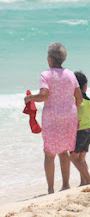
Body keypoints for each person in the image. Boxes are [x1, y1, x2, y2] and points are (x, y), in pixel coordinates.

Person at [24, 43, 83, 194]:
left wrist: (29, 98)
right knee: (64, 151)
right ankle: (65, 185)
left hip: (52, 118)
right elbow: (79, 98)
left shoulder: (46, 75)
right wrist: (71, 110)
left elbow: (44, 95)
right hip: (69, 116)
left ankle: (50, 189)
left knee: (50, 154)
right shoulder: (70, 74)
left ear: (50, 59)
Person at [70, 71, 90, 186]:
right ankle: (83, 182)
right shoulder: (89, 100)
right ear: (85, 86)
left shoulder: (75, 101)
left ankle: (89, 179)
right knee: (82, 159)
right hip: (89, 131)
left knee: (74, 158)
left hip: (79, 132)